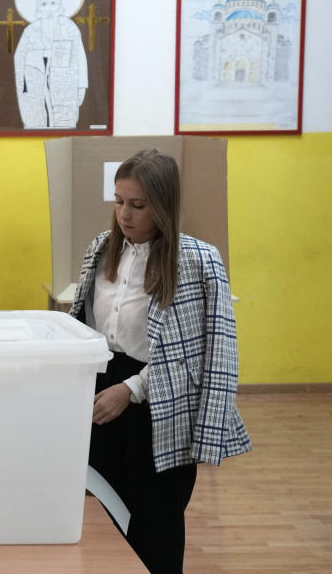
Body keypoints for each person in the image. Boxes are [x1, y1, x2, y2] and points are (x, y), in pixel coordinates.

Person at [70, 149, 251, 574]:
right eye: (118, 202)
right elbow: (84, 323)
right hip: (103, 387)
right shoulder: (101, 249)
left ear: (163, 205)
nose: (124, 215)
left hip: (162, 399)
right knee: (103, 512)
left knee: (157, 521)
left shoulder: (197, 260)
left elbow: (205, 350)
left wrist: (131, 390)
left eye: (138, 205)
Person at [13, 0, 88, 128]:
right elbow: (20, 58)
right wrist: (41, 57)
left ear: (59, 5)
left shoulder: (69, 28)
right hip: (36, 85)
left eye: (53, 3)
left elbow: (80, 57)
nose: (49, 9)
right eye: (44, 4)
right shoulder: (30, 31)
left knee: (64, 123)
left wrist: (81, 85)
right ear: (38, 7)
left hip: (65, 85)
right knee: (37, 120)